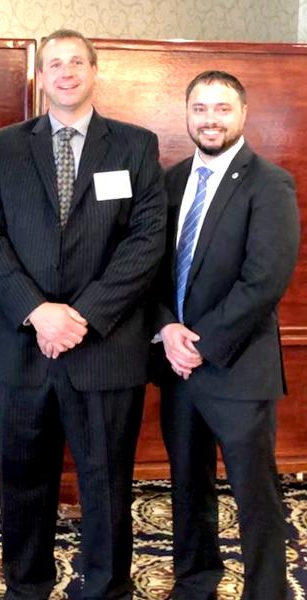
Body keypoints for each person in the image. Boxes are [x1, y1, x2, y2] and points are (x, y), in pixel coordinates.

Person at [0, 29, 166, 600]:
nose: (65, 72)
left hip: (105, 349)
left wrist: (78, 316)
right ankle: (26, 586)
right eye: (55, 63)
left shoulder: (135, 144)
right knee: (24, 481)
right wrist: (38, 311)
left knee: (105, 483)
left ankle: (106, 588)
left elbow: (147, 241)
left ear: (94, 70)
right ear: (42, 76)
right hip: (23, 347)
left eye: (76, 62)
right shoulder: (5, 144)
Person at [153, 70, 300, 600]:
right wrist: (167, 328)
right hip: (175, 365)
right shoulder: (168, 182)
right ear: (187, 114)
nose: (210, 119)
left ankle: (267, 591)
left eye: (221, 109)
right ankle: (196, 582)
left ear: (242, 114)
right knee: (188, 485)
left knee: (253, 491)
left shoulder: (270, 182)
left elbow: (265, 280)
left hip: (236, 366)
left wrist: (201, 343)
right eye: (200, 108)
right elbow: (152, 270)